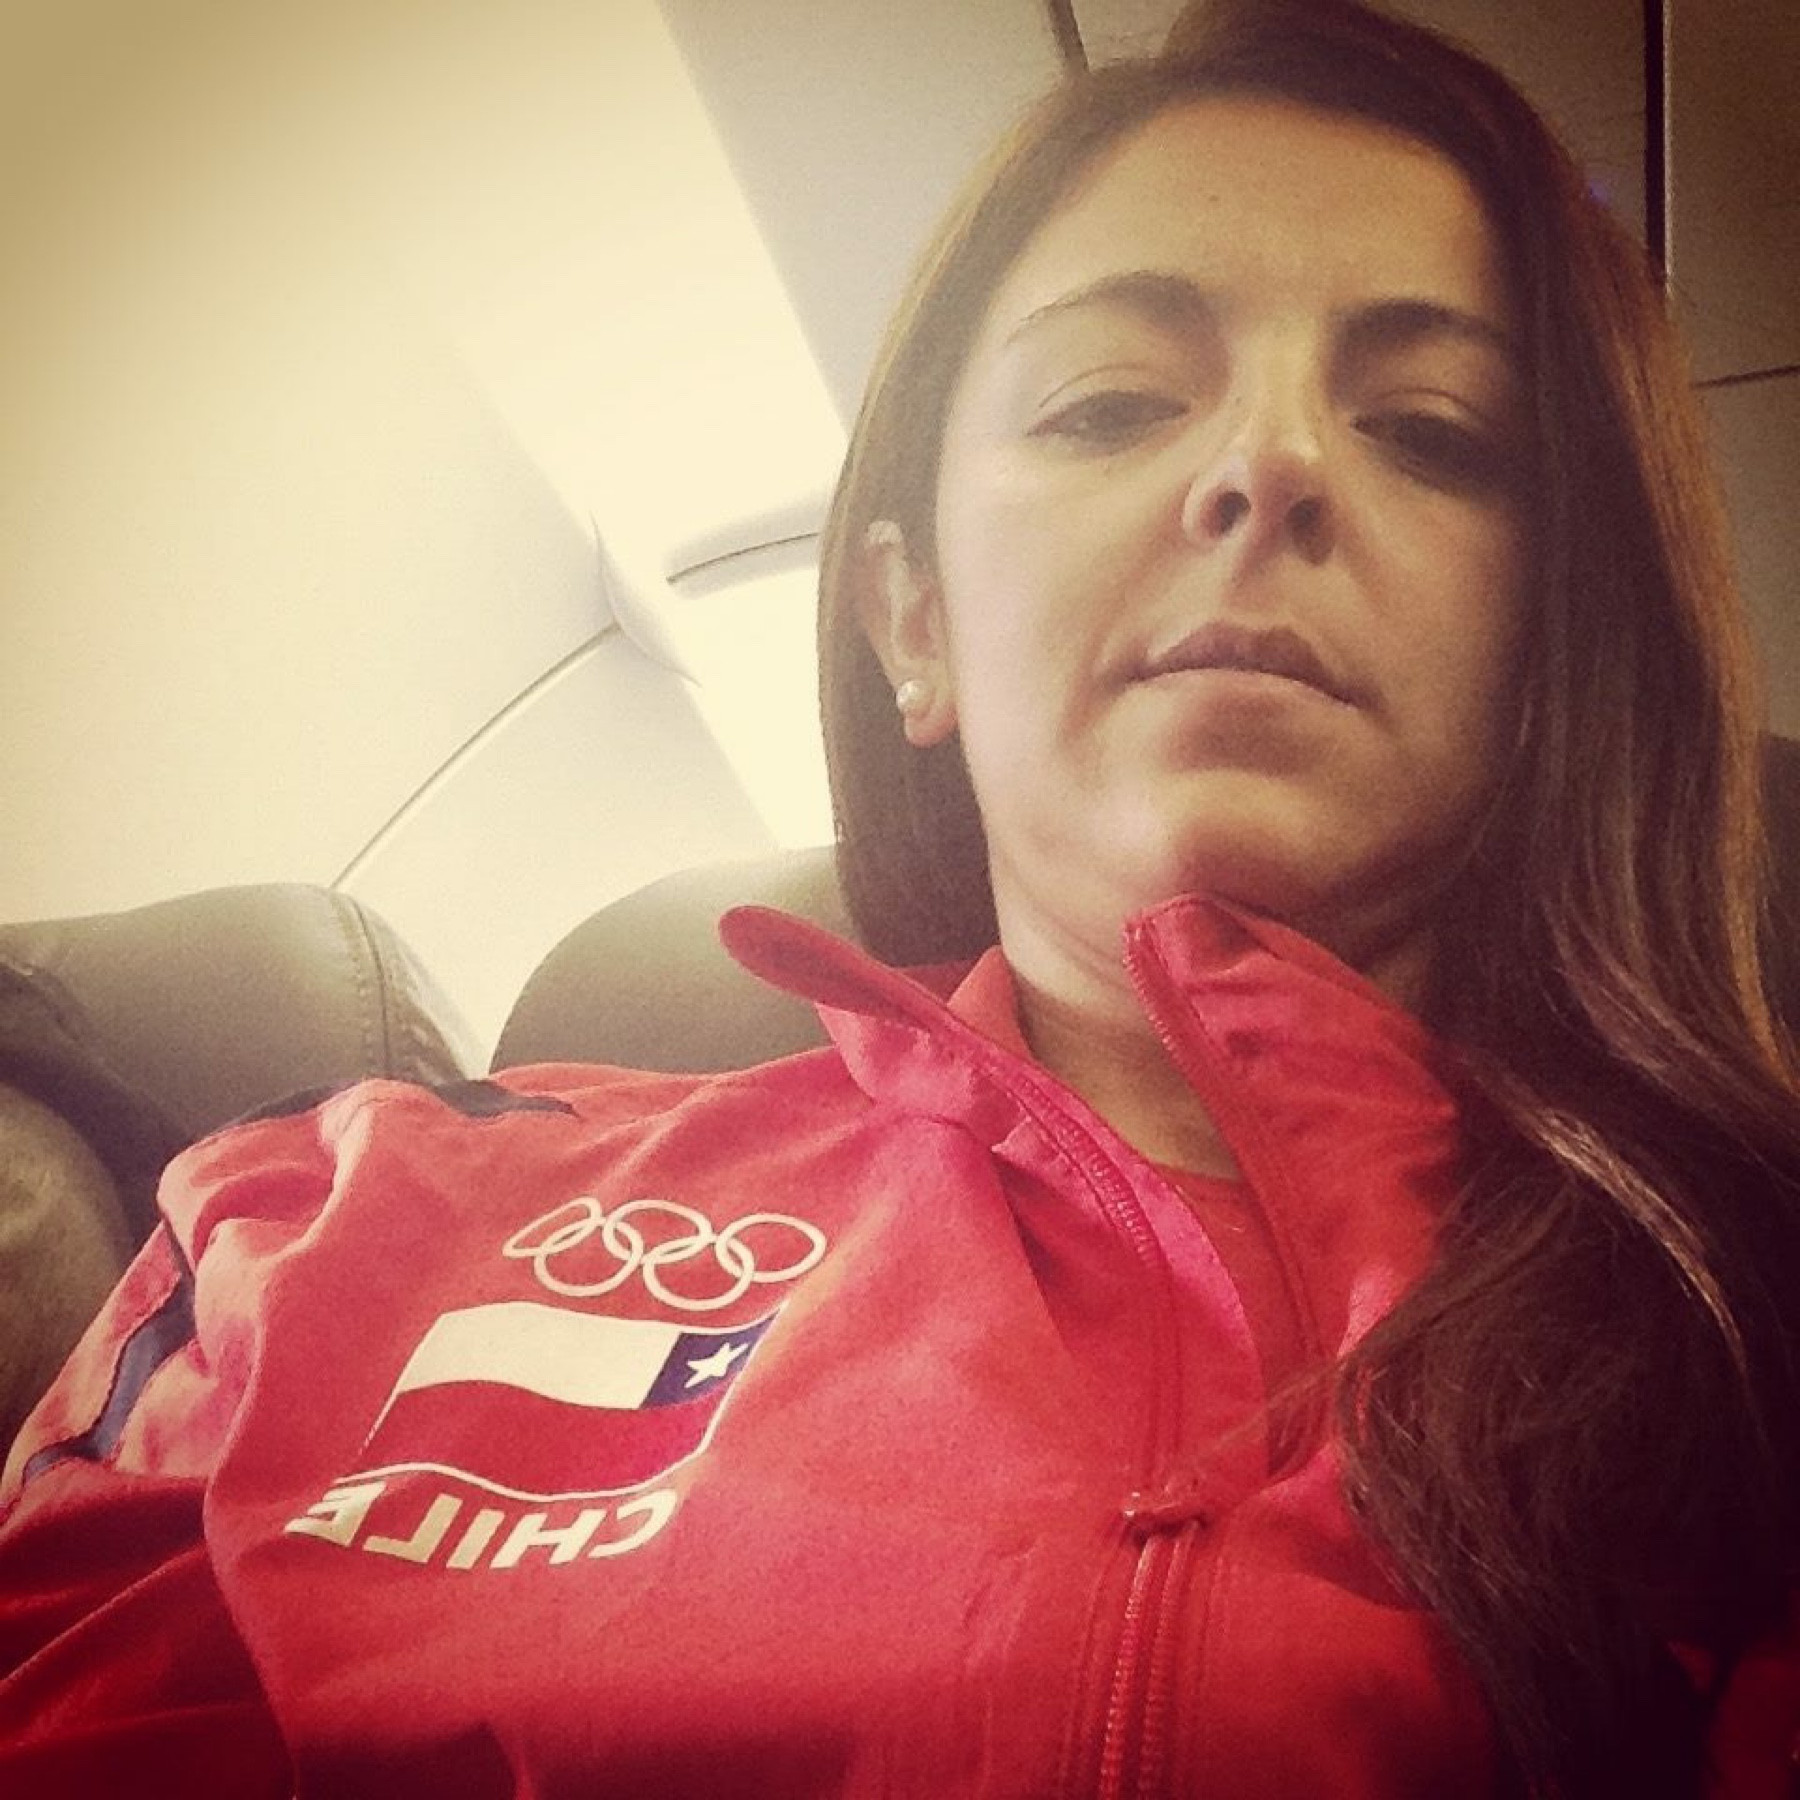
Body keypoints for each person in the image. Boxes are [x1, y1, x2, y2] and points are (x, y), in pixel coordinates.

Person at [4, 0, 1799, 1793]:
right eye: (1113, 403)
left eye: (1433, 430)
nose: (1271, 467)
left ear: (1550, 651)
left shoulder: (1745, 1308)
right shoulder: (323, 1229)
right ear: (912, 621)